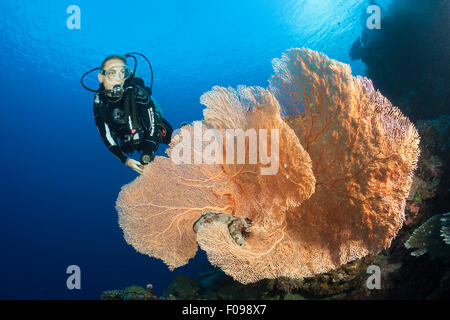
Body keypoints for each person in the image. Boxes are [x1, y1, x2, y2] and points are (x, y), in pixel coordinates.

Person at [93, 54, 173, 174]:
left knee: (171, 137)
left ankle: (184, 132)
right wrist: (125, 160)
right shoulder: (99, 101)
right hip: (127, 138)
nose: (118, 78)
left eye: (122, 72)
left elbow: (151, 125)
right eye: (112, 73)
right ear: (101, 77)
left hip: (148, 129)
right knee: (129, 145)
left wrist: (147, 153)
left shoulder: (137, 92)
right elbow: (106, 136)